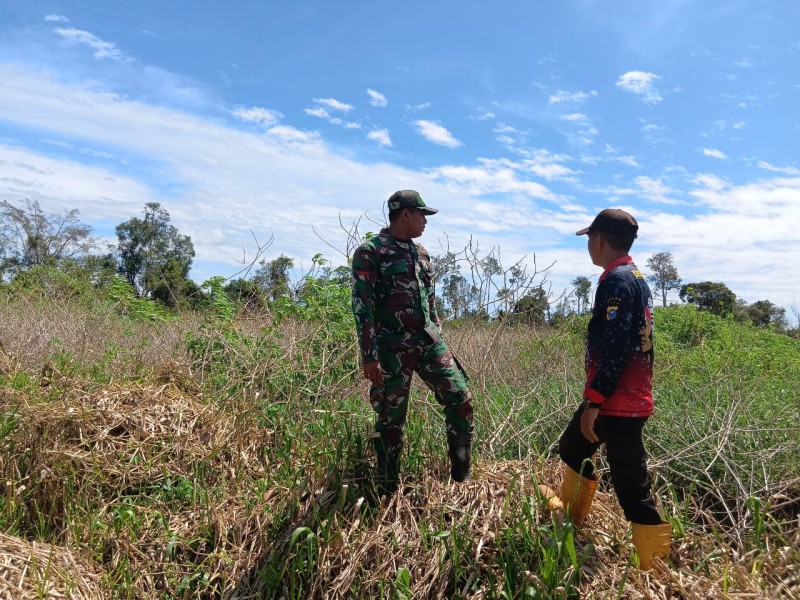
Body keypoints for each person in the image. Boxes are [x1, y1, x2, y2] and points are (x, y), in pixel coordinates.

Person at [540, 208, 671, 570]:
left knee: (632, 485)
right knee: (572, 447)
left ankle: (655, 566)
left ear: (598, 240)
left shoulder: (616, 281)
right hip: (623, 396)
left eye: (589, 240)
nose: (589, 246)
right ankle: (570, 517)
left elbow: (616, 348)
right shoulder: (635, 276)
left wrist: (595, 401)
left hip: (616, 402)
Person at [351, 190, 474, 494]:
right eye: (422, 215)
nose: (425, 222)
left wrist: (437, 327)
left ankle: (461, 478)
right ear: (405, 214)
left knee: (461, 398)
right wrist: (370, 355)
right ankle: (387, 488)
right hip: (391, 348)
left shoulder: (422, 253)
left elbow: (429, 298)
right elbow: (362, 306)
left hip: (429, 343)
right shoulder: (370, 251)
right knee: (391, 421)